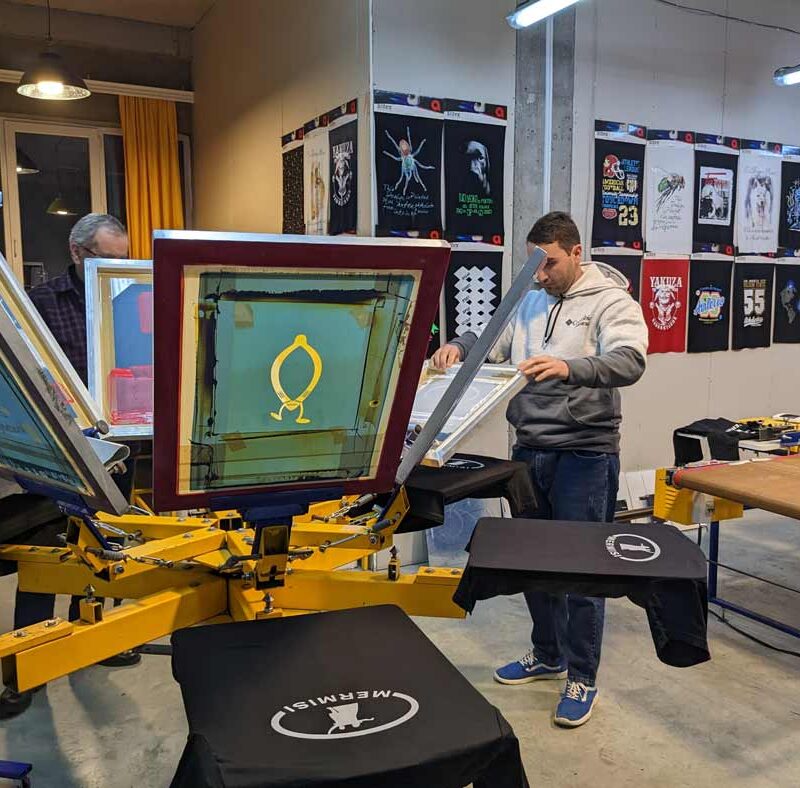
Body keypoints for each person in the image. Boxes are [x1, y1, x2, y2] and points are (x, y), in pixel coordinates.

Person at [432, 211, 648, 728]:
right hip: (530, 450)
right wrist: (460, 346)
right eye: (533, 264)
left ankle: (582, 675)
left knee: (582, 569)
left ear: (575, 252)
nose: (541, 274)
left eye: (549, 263)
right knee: (533, 561)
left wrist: (571, 367)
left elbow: (631, 360)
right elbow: (491, 339)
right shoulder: (530, 299)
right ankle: (548, 654)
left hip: (585, 454)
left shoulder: (612, 301)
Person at [0, 214, 139, 720]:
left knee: (100, 546)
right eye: (107, 258)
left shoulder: (129, 298)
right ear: (78, 253)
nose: (116, 269)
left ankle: (94, 637)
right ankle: (27, 662)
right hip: (61, 449)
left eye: (124, 259)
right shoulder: (40, 304)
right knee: (47, 552)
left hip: (117, 444)